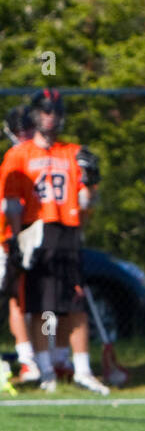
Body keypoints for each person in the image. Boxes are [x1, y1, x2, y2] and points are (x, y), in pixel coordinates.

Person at [0, 89, 108, 394]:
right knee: (38, 306)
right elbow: (12, 203)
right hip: (36, 233)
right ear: (35, 115)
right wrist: (17, 240)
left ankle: (82, 370)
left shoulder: (72, 152)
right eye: (46, 111)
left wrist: (91, 184)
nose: (52, 118)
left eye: (56, 112)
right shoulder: (19, 155)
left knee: (75, 304)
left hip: (68, 231)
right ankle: (45, 369)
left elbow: (86, 202)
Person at [2, 104, 41, 385]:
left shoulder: (24, 156)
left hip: (27, 235)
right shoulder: (19, 157)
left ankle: (34, 360)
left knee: (25, 300)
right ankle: (34, 360)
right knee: (20, 298)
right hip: (21, 236)